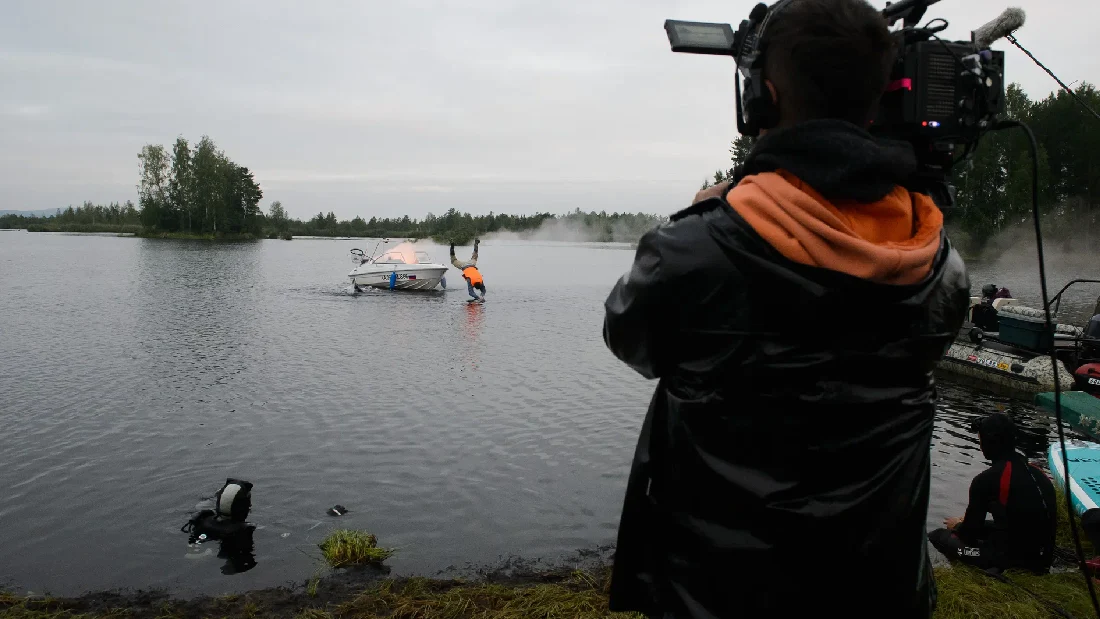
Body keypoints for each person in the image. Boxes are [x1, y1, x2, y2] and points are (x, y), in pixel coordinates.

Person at [602, 0, 971, 616]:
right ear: (880, 101)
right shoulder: (942, 269)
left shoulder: (693, 252)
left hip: (715, 596)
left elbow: (629, 338)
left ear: (762, 98)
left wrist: (709, 214)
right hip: (880, 594)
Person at [929, 413, 1056, 573]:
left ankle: (952, 567)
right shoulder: (1039, 473)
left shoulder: (986, 480)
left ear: (988, 444)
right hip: (1043, 558)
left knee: (939, 536)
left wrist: (959, 525)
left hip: (1010, 560)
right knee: (986, 528)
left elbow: (968, 535)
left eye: (981, 440)